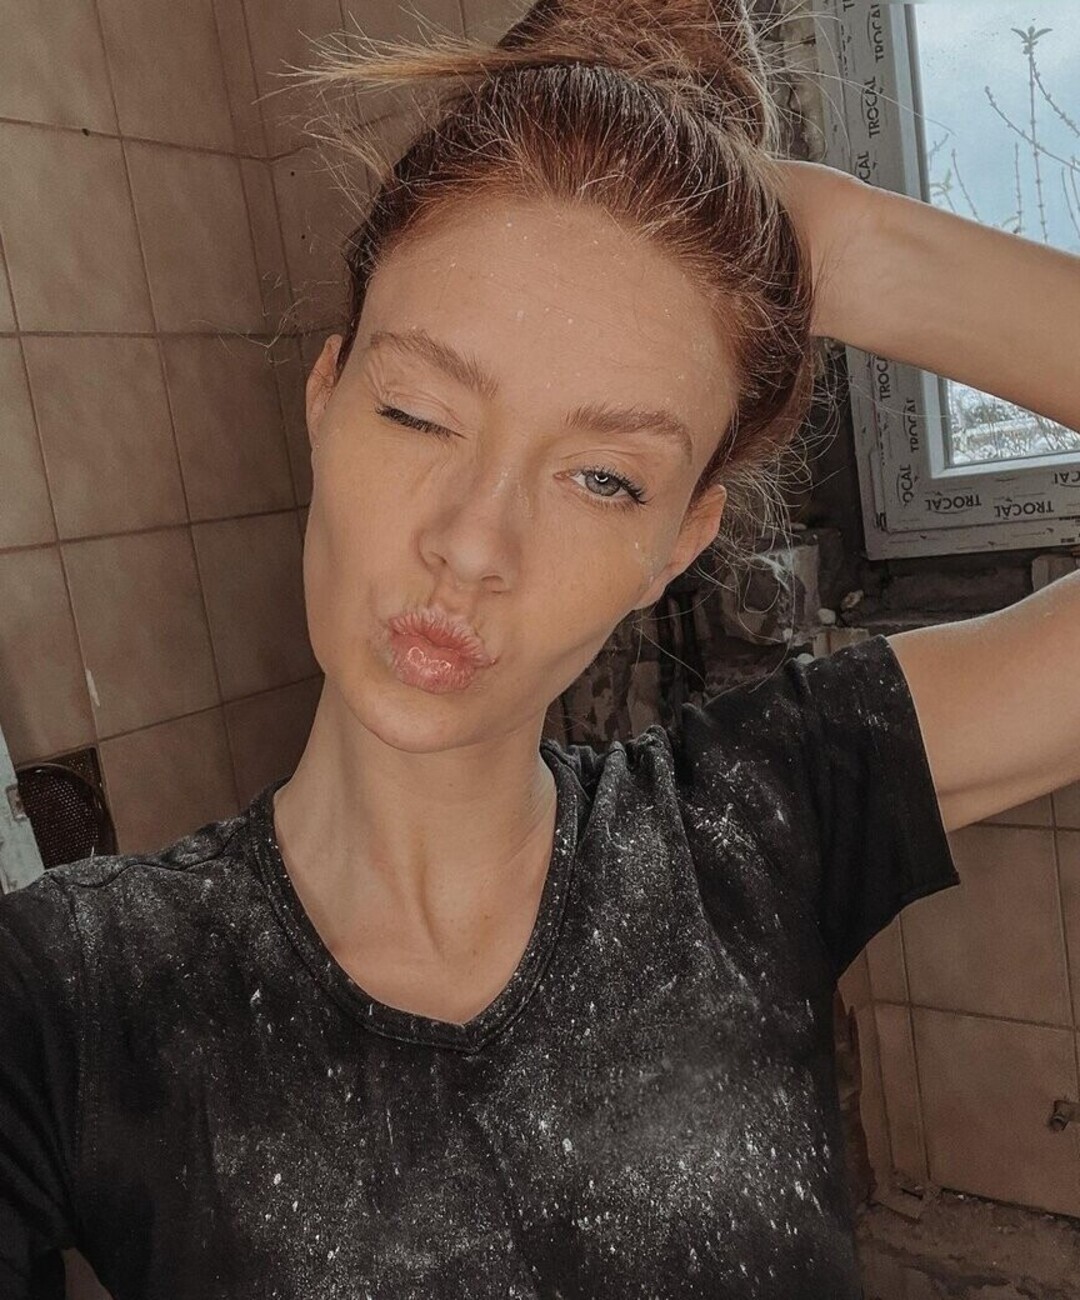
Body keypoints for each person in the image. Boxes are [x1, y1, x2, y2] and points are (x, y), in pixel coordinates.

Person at [2, 2, 1078, 1297]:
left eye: (605, 479)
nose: (472, 544)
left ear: (678, 543)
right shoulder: (64, 995)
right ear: (324, 400)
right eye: (417, 412)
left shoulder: (766, 816)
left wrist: (842, 245)